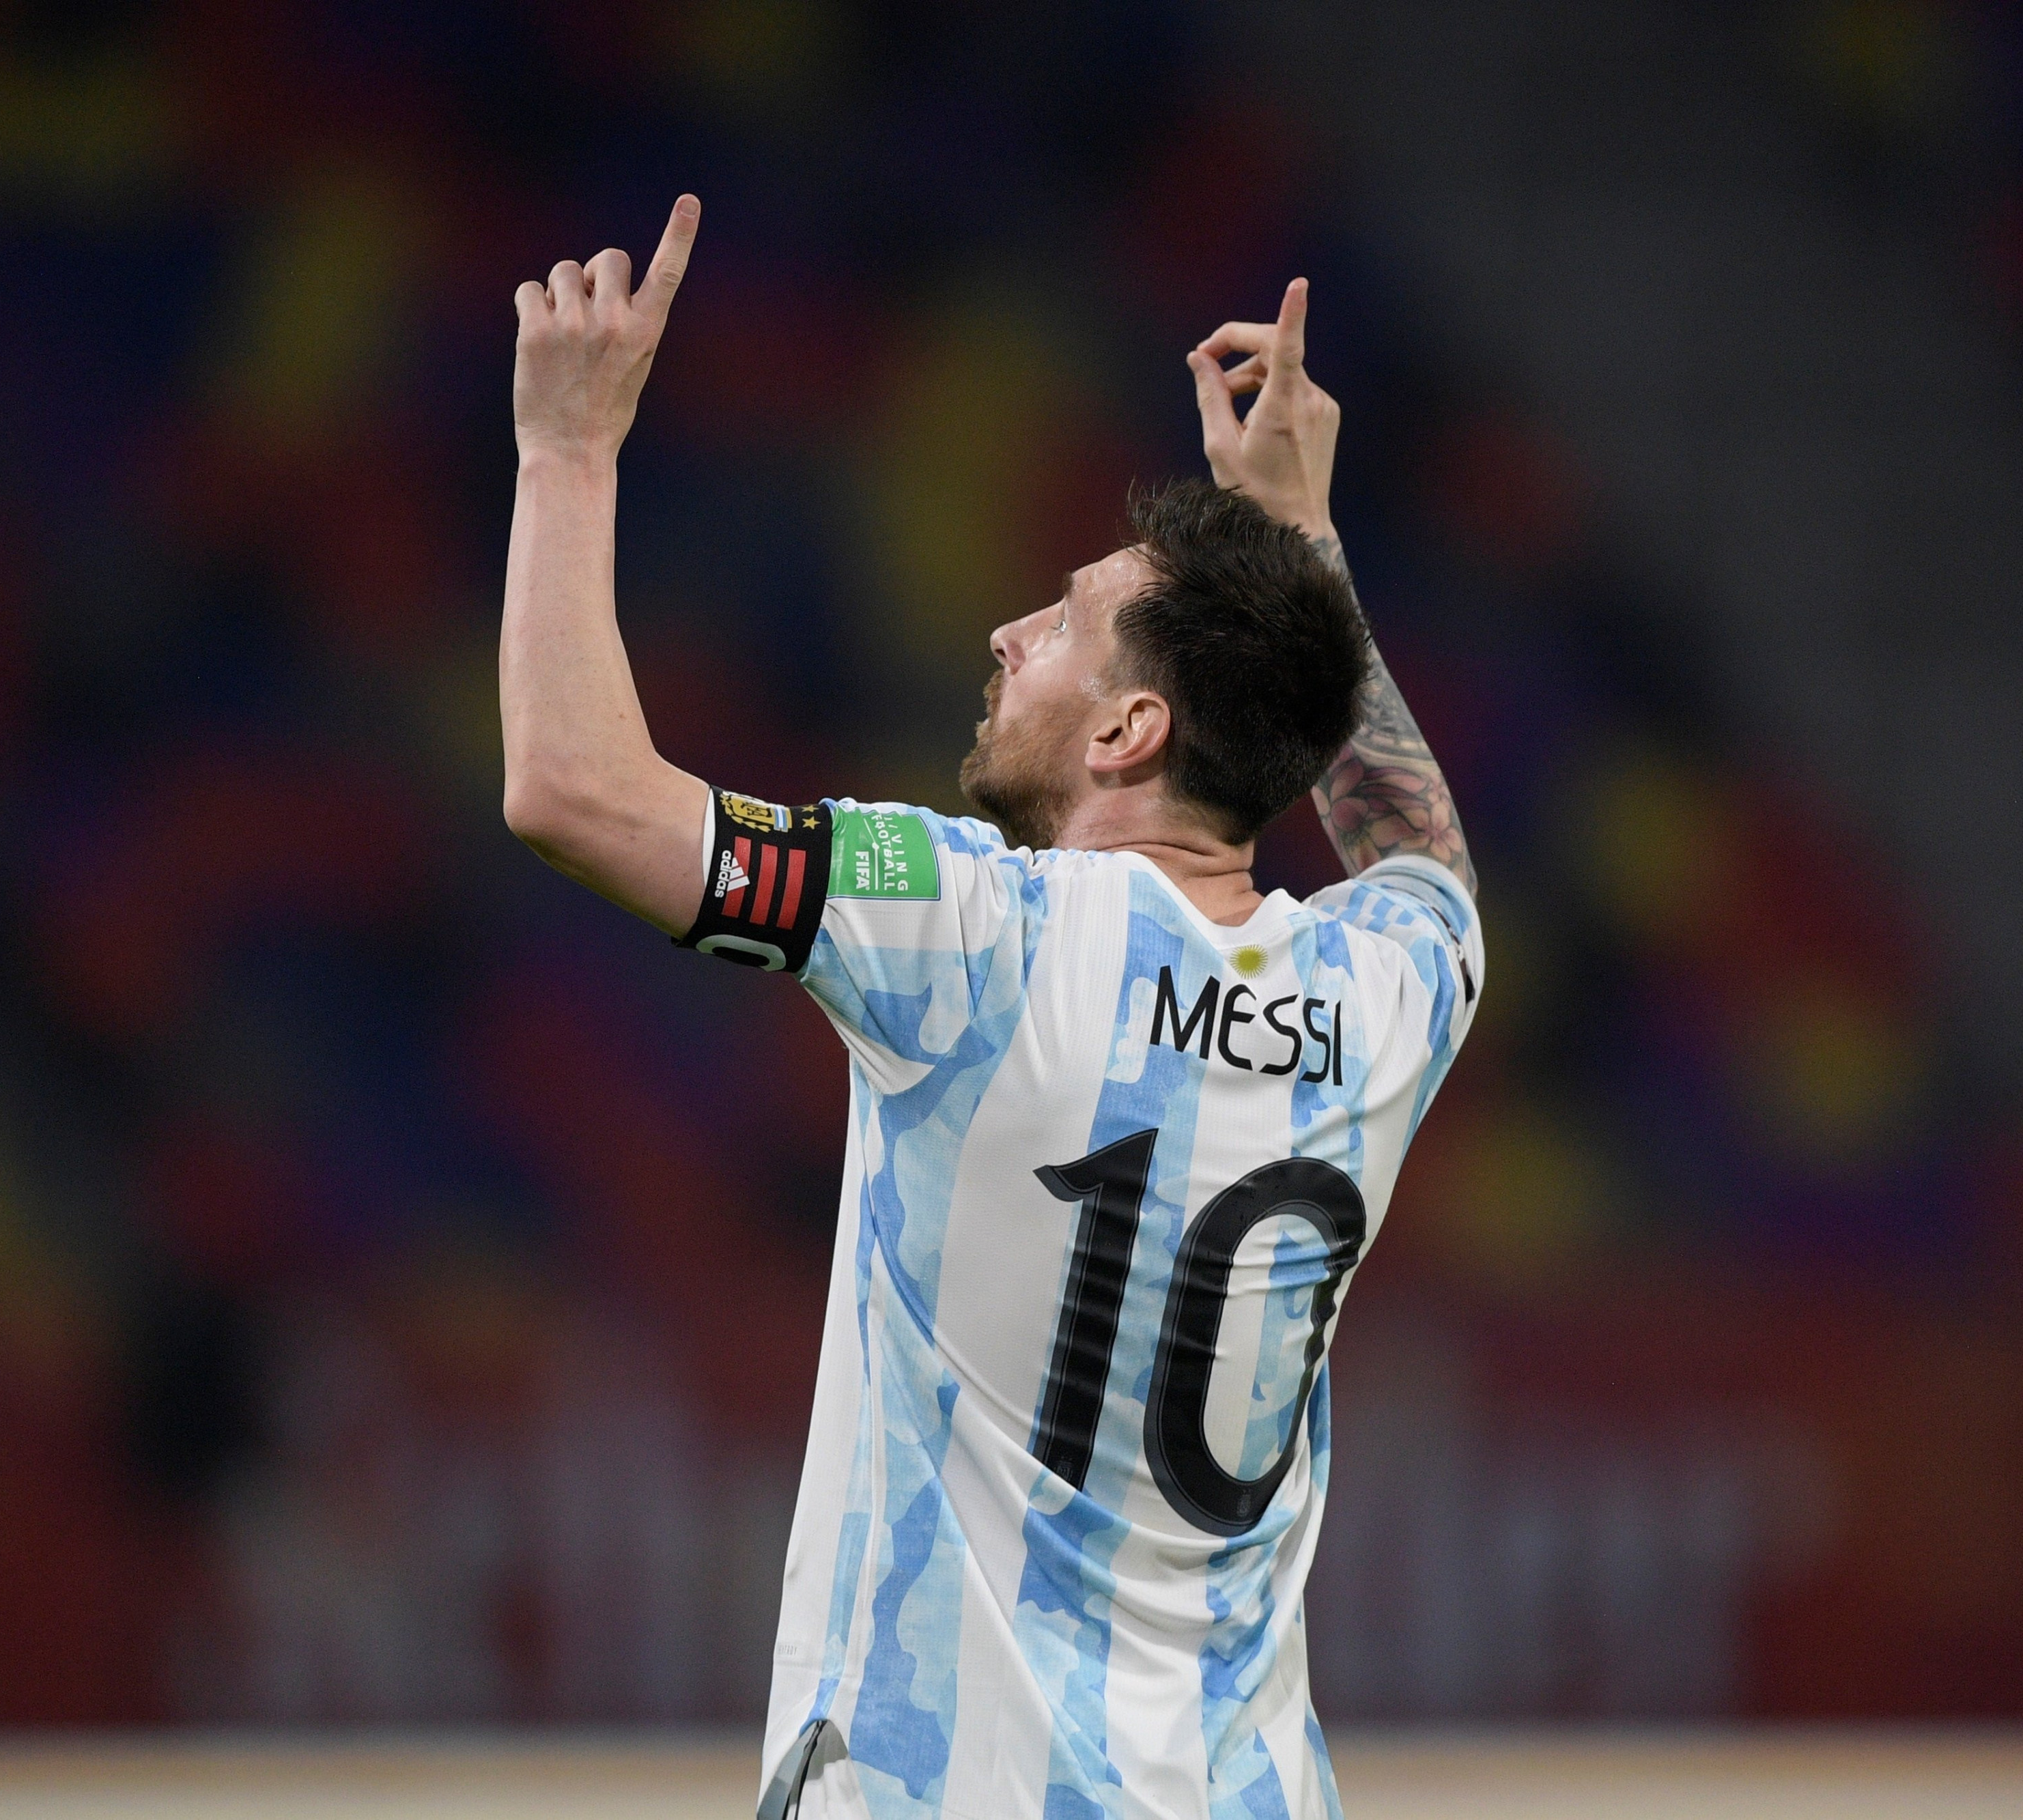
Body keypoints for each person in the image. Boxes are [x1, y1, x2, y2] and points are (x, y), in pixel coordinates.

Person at [498, 196, 1482, 1820]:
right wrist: (1297, 545)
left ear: (1127, 732)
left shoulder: (972, 929)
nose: (1006, 633)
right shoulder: (1379, 1002)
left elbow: (572, 791)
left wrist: (564, 450)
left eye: (1061, 625)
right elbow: (1412, 846)